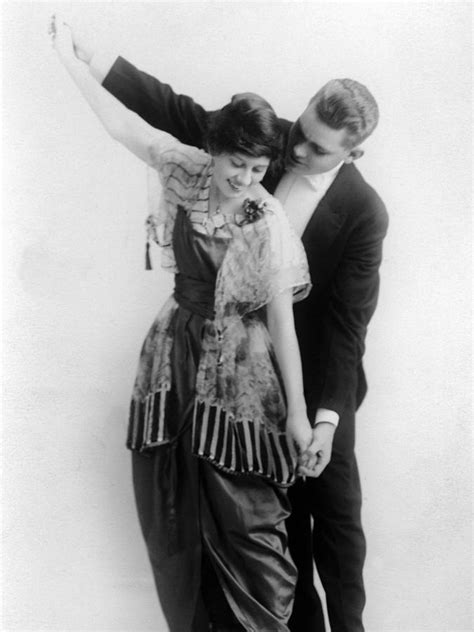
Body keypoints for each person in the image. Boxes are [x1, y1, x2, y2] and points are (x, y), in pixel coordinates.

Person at [66, 24, 390, 632]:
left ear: (352, 151)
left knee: (338, 537)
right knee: (266, 538)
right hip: (219, 366)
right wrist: (89, 56)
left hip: (316, 382)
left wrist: (316, 416)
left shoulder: (364, 212)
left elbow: (346, 330)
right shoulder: (261, 142)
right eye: (298, 138)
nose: (294, 155)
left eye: (317, 150)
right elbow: (169, 112)